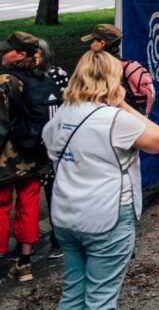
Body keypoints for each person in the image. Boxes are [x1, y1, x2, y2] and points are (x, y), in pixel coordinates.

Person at [42, 50, 159, 306]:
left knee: (74, 292)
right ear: (113, 80)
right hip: (106, 216)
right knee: (101, 298)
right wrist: (121, 103)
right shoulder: (115, 120)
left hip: (66, 216)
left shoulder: (60, 117)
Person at [1, 31, 59, 282]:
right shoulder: (41, 77)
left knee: (2, 207)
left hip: (6, 159)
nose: (3, 53)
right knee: (29, 206)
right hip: (34, 154)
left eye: (8, 50)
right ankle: (24, 263)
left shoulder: (6, 80)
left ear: (21, 54)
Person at [36, 38, 69, 260]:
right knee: (49, 189)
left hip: (61, 140)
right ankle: (56, 238)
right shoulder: (28, 79)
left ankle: (60, 239)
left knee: (59, 189)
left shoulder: (58, 75)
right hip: (38, 142)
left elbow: (68, 103)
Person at [81, 24, 155, 116]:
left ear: (102, 44)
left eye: (93, 40)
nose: (90, 44)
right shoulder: (122, 66)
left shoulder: (101, 69)